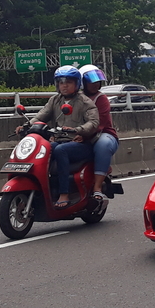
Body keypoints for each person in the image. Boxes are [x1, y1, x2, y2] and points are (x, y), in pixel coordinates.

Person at [17, 65, 99, 209]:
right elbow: (42, 115)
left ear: (77, 84)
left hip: (81, 144)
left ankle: (64, 193)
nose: (64, 85)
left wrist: (78, 130)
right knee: (47, 148)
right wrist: (26, 126)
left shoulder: (85, 102)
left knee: (61, 150)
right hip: (60, 141)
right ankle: (45, 189)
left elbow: (93, 122)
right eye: (61, 82)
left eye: (68, 82)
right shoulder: (54, 100)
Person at [79, 65, 119, 201]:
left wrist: (81, 134)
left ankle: (97, 187)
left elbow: (99, 124)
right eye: (90, 81)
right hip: (78, 133)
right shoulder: (76, 98)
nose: (95, 84)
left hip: (102, 133)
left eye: (97, 81)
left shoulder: (101, 99)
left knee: (103, 144)